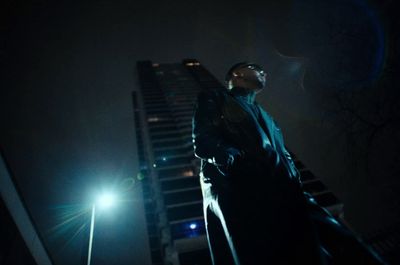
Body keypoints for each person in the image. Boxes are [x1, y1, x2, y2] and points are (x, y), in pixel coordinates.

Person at [192, 62, 385, 264]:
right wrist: (231, 159)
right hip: (245, 188)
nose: (263, 72)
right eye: (255, 68)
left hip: (288, 188)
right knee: (266, 252)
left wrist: (294, 176)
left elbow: (282, 153)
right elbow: (204, 140)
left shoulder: (268, 118)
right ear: (238, 74)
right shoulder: (215, 98)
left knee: (335, 236)